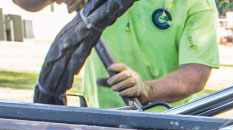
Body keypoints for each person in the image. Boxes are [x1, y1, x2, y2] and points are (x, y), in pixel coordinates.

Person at [16, 0, 219, 109]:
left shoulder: (198, 4)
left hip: (163, 129)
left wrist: (147, 90)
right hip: (97, 123)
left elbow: (195, 74)